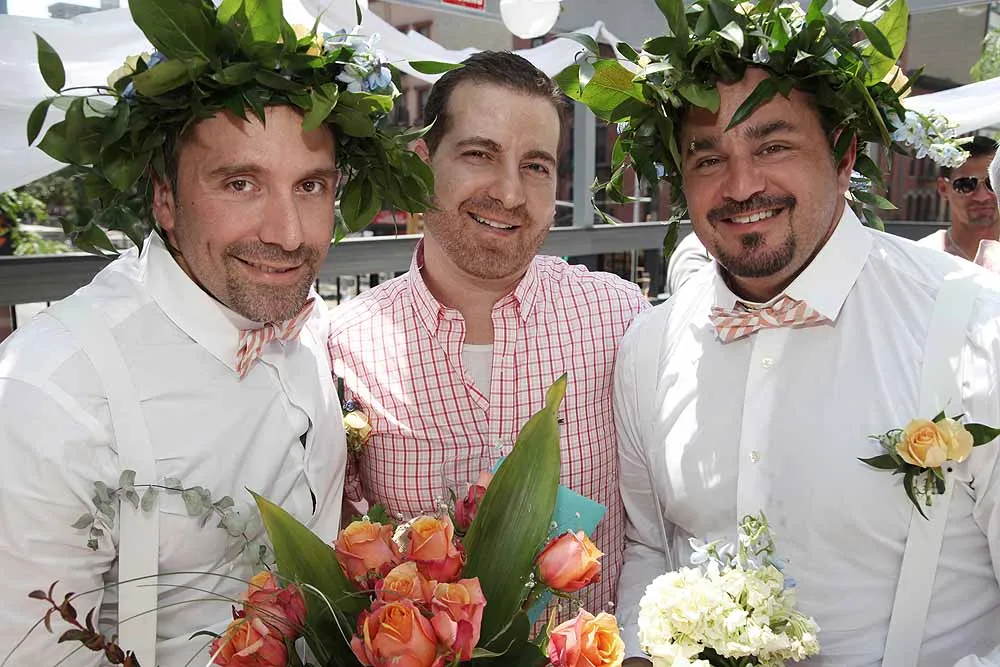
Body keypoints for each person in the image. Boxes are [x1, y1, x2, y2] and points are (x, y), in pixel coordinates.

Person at [569, 0, 1000, 664]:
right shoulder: (649, 347)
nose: (742, 185)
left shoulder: (977, 325)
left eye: (773, 145)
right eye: (708, 158)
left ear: (844, 154)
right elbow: (652, 544)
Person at [0, 4, 431, 666]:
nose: (288, 234)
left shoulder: (305, 322)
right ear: (164, 197)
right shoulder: (51, 395)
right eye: (240, 183)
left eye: (310, 185)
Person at [327, 50, 650, 618]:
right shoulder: (346, 346)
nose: (510, 193)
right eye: (480, 154)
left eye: (536, 166)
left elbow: (657, 525)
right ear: (424, 163)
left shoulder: (618, 319)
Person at [918, 135, 999, 261]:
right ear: (943, 188)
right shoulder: (922, 256)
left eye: (992, 183)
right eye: (965, 185)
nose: (982, 197)